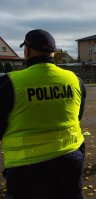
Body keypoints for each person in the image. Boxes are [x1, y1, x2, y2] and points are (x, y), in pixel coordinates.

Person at [0, 29, 86, 199]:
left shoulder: (10, 82)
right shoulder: (75, 79)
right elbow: (78, 116)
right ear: (53, 53)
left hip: (26, 168)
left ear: (27, 51)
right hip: (70, 159)